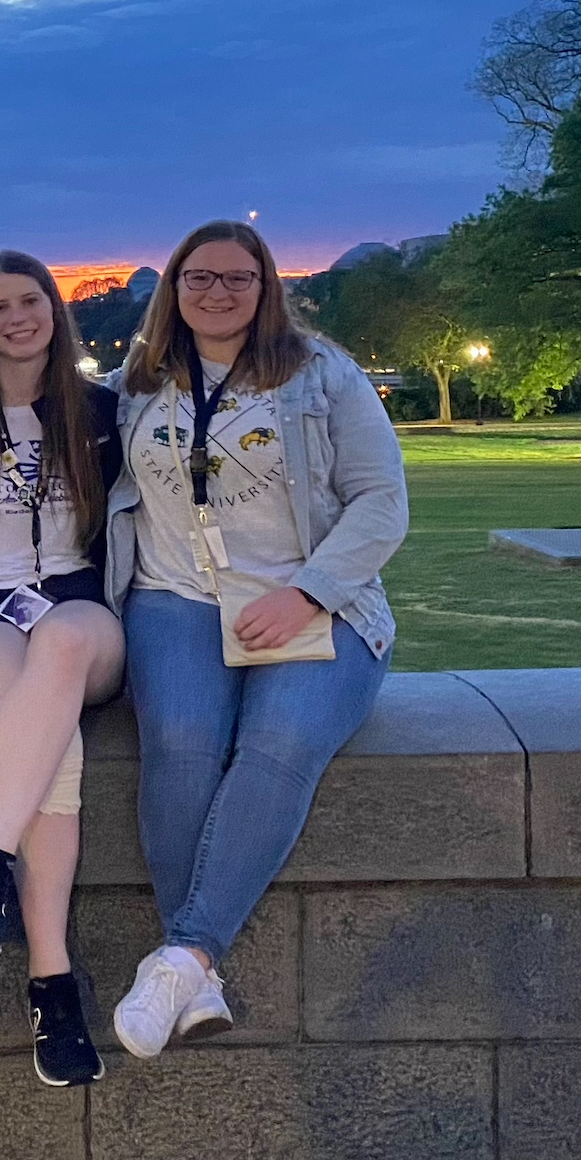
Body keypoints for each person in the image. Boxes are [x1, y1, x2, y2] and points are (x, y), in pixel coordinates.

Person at [105, 221, 407, 1055]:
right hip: (176, 597)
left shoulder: (322, 374)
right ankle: (190, 973)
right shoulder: (137, 379)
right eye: (200, 277)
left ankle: (186, 953)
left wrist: (308, 592)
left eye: (238, 278)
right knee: (181, 741)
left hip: (313, 598)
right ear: (174, 287)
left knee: (280, 742)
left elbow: (382, 500)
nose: (218, 292)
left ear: (266, 285)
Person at [0, 251, 124, 1086]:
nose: (16, 317)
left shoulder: (104, 409)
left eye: (30, 300)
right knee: (53, 743)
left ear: (54, 308)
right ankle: (54, 986)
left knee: (66, 649)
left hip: (77, 602)